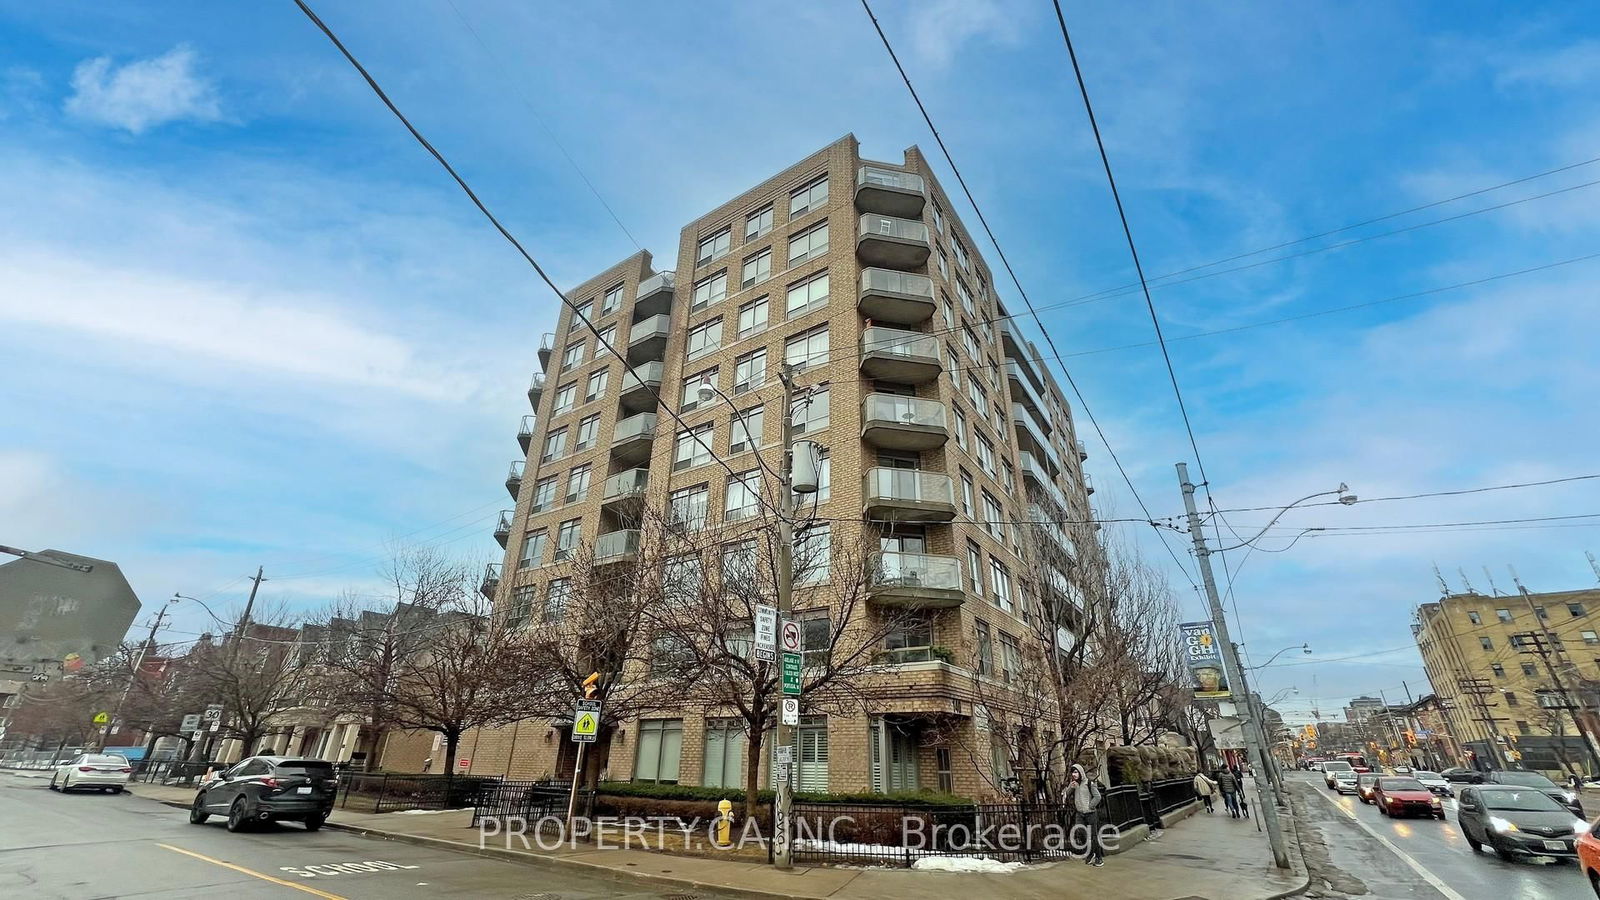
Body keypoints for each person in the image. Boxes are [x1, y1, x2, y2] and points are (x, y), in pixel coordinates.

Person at [1069, 764, 1106, 867]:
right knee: (1080, 832)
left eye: (1076, 772)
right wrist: (1071, 787)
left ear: (1080, 772)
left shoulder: (1089, 783)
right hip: (1080, 813)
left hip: (1090, 813)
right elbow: (1067, 794)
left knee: (1093, 835)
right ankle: (1090, 852)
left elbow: (1097, 797)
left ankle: (1098, 857)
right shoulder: (1074, 784)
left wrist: (1091, 806)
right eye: (1073, 772)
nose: (1074, 774)